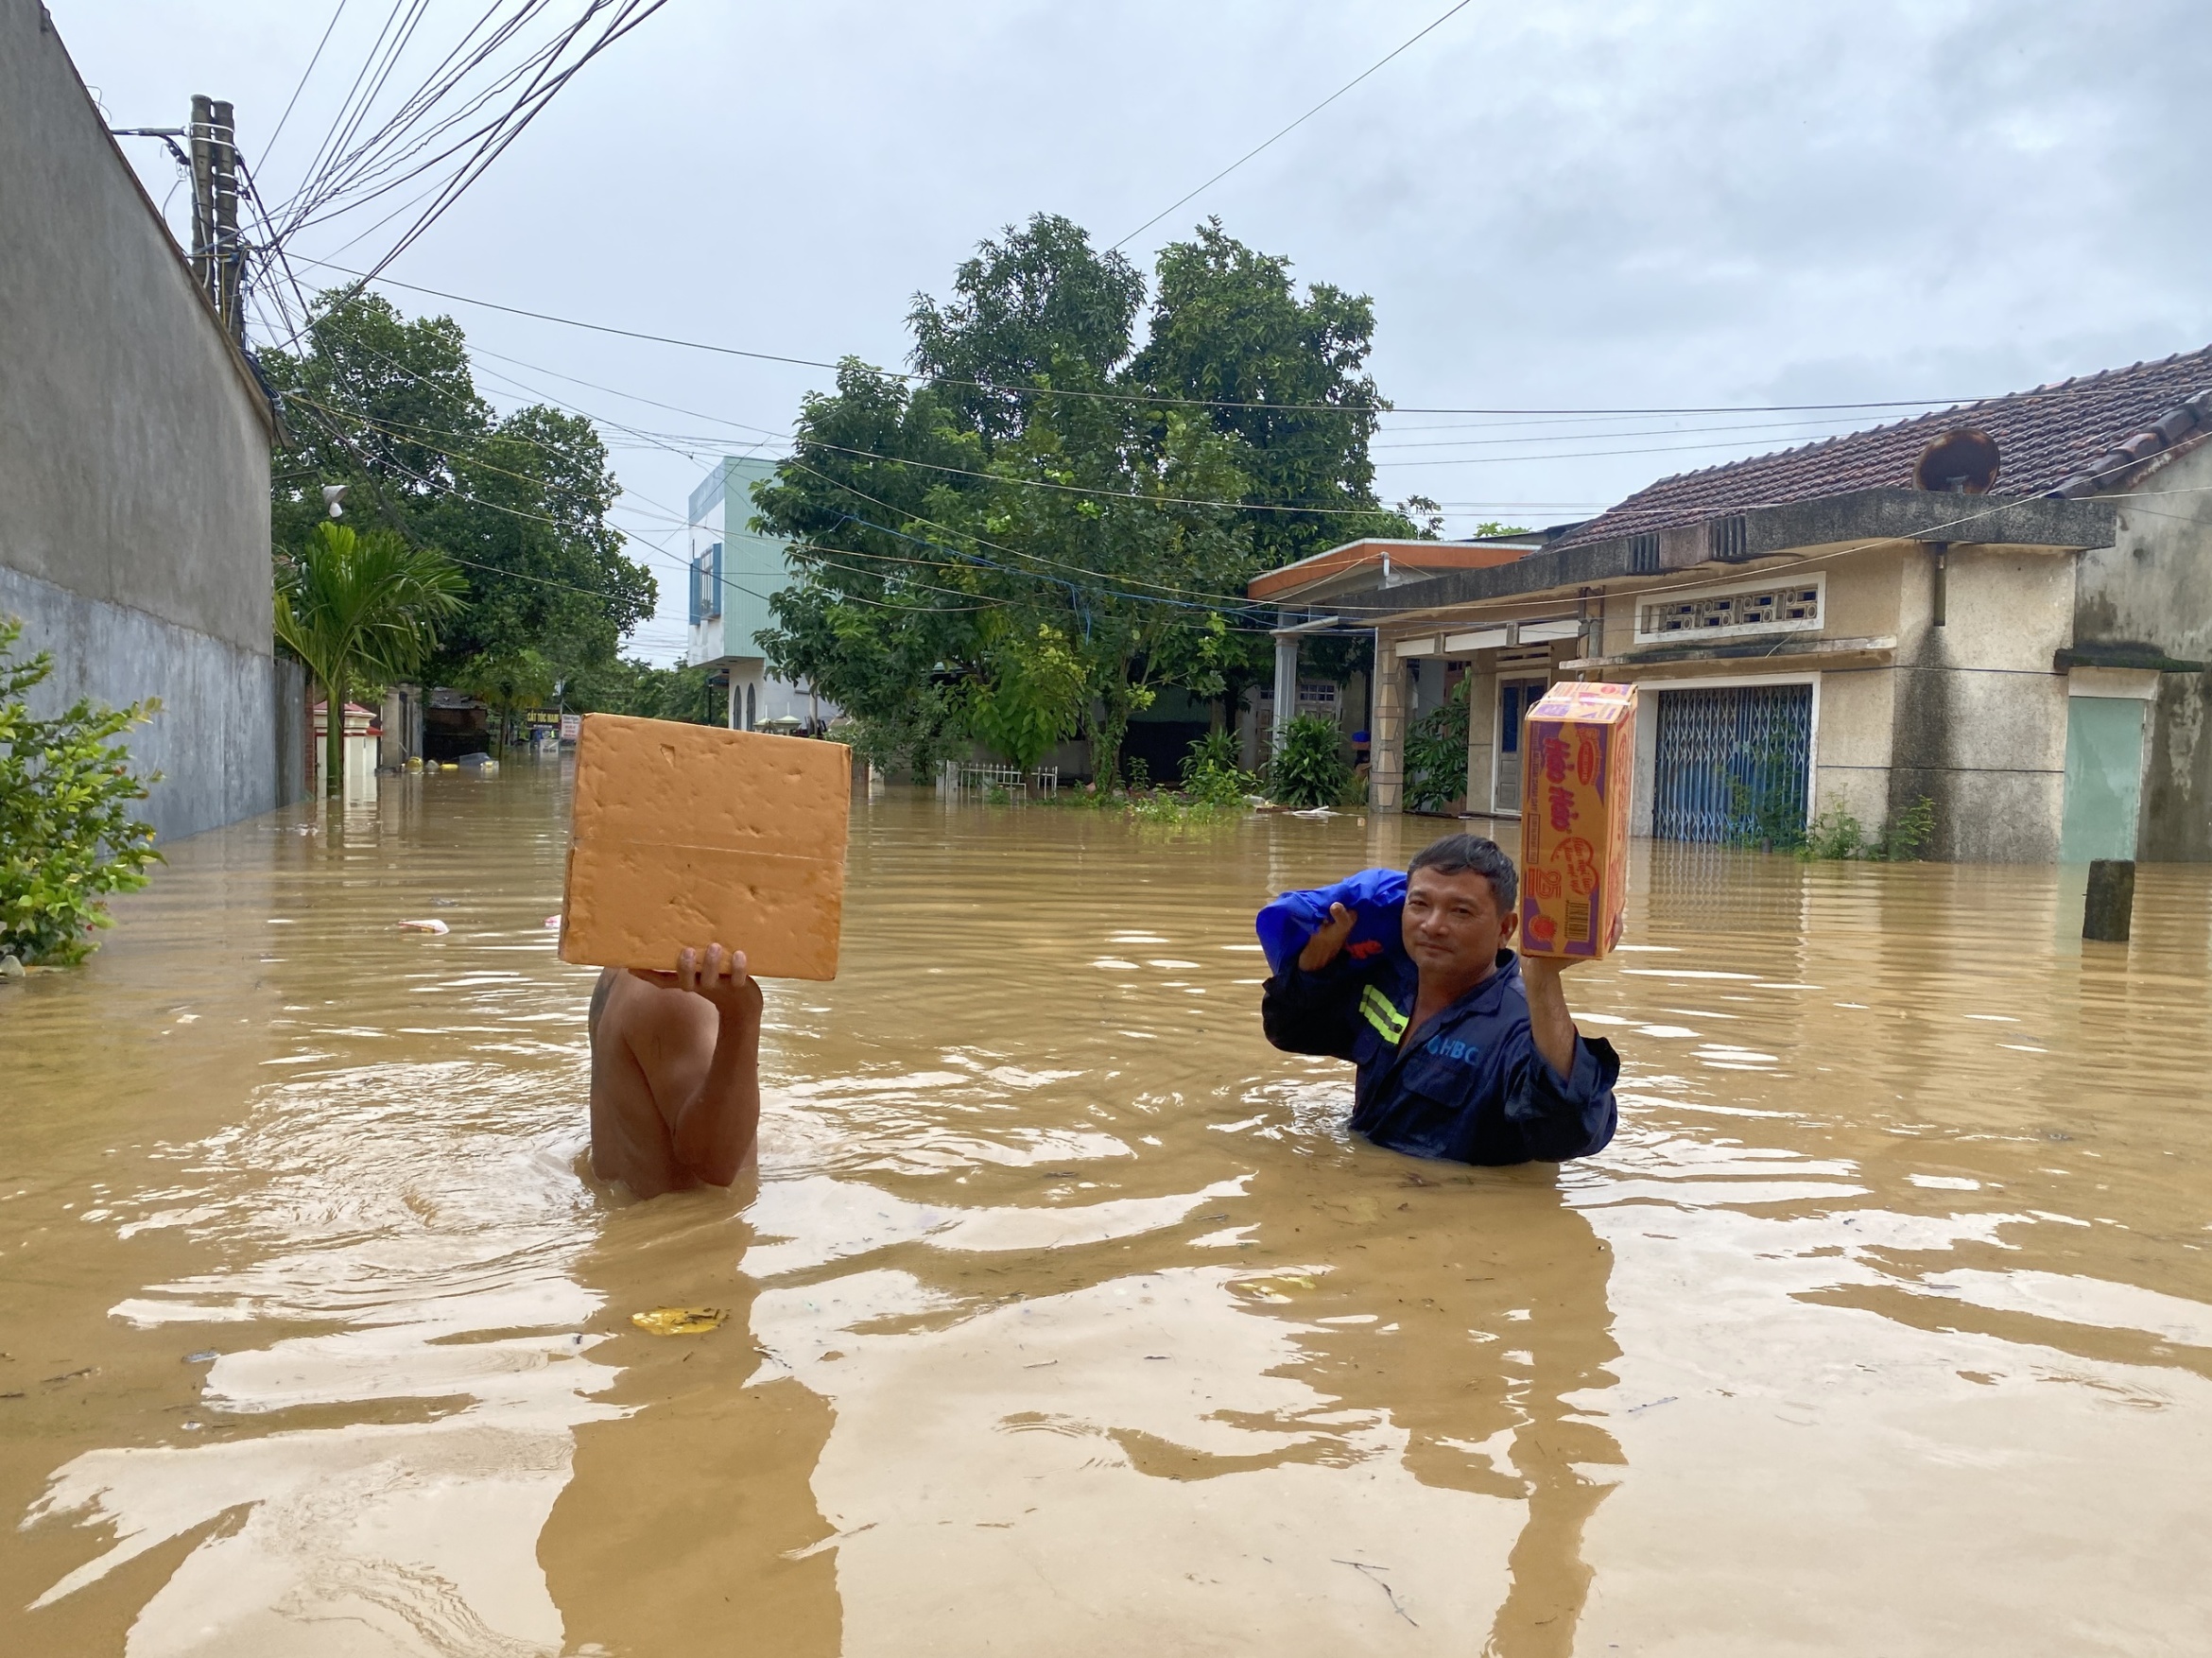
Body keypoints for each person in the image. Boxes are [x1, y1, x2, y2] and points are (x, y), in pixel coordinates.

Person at [1261, 834, 1618, 1166]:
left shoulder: (1520, 1025)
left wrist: (1543, 979)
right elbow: (1291, 1032)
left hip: (1456, 1220)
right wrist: (1314, 967)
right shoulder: (1389, 984)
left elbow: (1567, 1136)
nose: (1432, 925)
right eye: (1419, 904)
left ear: (1505, 929)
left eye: (1460, 911)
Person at [588, 942, 762, 1199]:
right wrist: (742, 1017)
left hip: (633, 1225)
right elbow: (716, 1168)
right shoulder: (675, 990)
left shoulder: (627, 961)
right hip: (697, 1235)